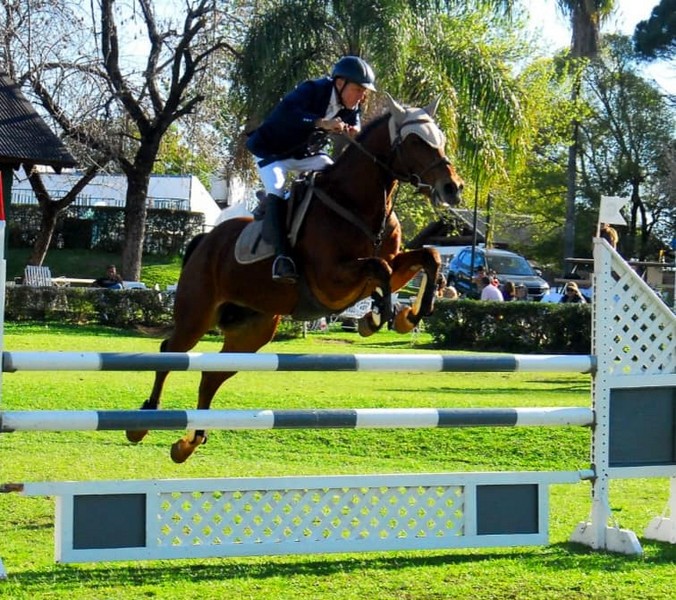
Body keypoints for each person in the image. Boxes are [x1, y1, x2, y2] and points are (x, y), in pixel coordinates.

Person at [246, 56, 376, 284]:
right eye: (358, 90)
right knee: (277, 188)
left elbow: (355, 121)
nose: (362, 97)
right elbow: (288, 114)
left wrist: (355, 130)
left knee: (333, 172)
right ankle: (282, 258)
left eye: (364, 92)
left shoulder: (351, 104)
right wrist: (321, 122)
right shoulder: (312, 89)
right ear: (340, 83)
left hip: (303, 154)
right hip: (271, 152)